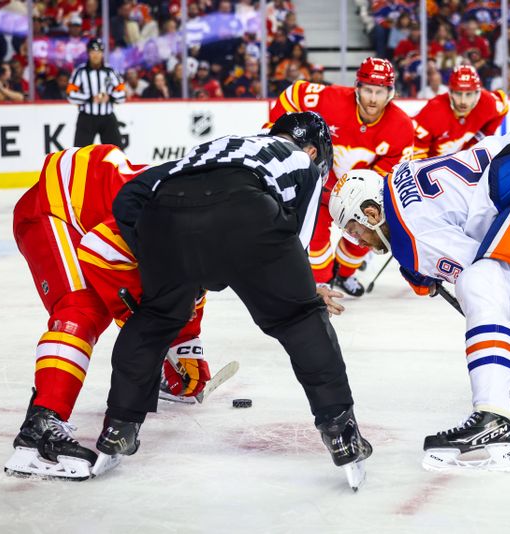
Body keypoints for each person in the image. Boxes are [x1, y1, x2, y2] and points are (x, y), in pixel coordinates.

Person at [95, 112, 371, 486]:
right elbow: (295, 240)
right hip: (246, 211)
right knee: (299, 319)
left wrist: (161, 255)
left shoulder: (212, 148)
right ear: (312, 149)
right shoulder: (301, 160)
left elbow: (129, 197)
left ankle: (119, 427)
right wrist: (306, 292)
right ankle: (340, 431)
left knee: (155, 318)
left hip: (167, 217)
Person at [328, 129, 510, 470]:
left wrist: (423, 268)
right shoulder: (401, 177)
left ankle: (492, 415)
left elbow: (474, 271)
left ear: (371, 212)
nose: (359, 240)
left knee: (482, 281)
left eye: (354, 228)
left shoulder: (409, 235)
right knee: (506, 276)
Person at [5, 144, 211, 480]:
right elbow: (102, 252)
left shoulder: (206, 214)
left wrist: (186, 347)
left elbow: (186, 288)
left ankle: (47, 409)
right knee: (83, 307)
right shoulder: (175, 214)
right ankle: (41, 423)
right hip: (53, 207)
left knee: (120, 306)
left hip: (91, 209)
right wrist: (153, 338)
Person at [267, 57, 415, 297]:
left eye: (379, 91)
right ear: (357, 88)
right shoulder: (331, 99)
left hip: (359, 193)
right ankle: (323, 281)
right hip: (322, 181)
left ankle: (344, 273)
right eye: (368, 90)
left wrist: (360, 197)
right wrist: (273, 130)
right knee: (315, 236)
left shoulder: (402, 127)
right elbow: (294, 93)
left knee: (371, 232)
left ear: (391, 92)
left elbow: (390, 173)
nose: (373, 99)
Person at [411, 64, 509, 159]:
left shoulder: (487, 102)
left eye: (469, 94)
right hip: (432, 167)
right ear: (450, 92)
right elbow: (415, 156)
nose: (463, 101)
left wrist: (479, 138)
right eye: (458, 93)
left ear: (477, 93)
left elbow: (504, 107)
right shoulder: (432, 112)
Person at [67, 38, 126, 148]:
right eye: (93, 52)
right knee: (80, 153)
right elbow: (70, 95)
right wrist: (90, 98)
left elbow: (122, 94)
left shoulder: (110, 71)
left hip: (107, 117)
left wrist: (110, 97)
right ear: (88, 53)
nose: (96, 55)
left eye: (98, 52)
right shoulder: (80, 72)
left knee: (117, 152)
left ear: (102, 54)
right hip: (87, 118)